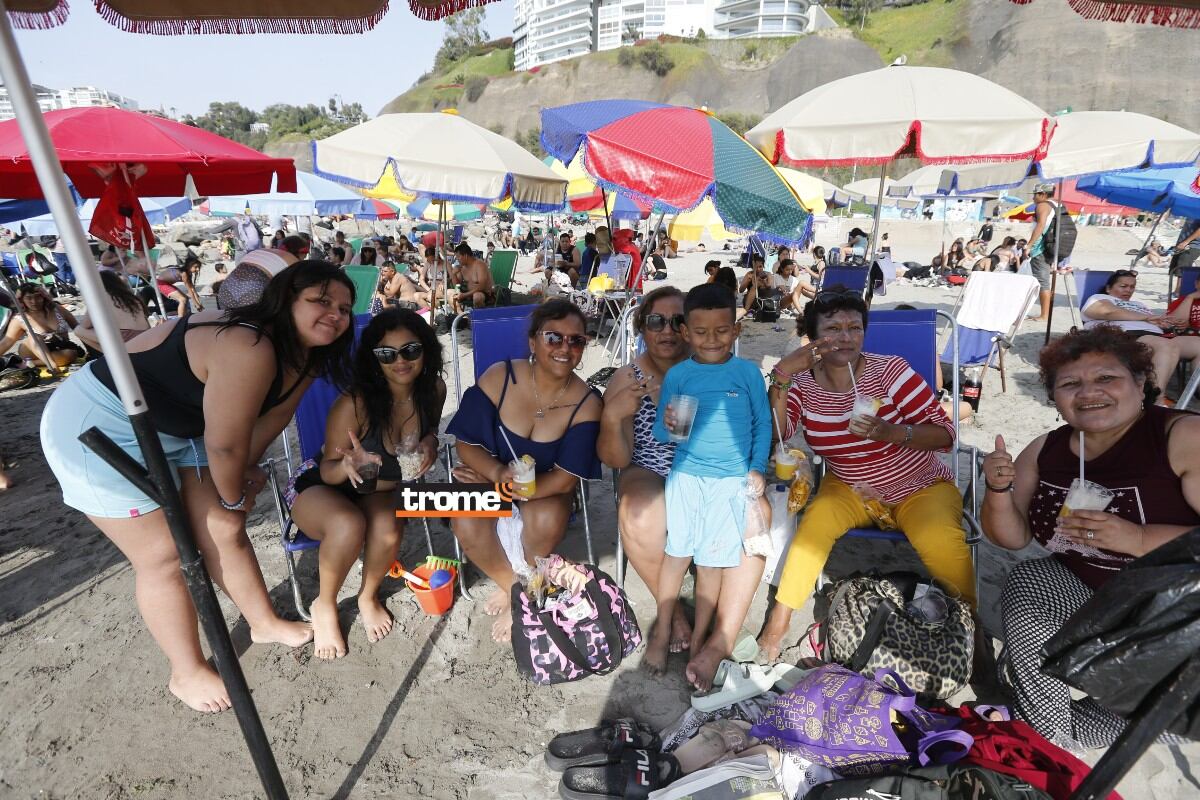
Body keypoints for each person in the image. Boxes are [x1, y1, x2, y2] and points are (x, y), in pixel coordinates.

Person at [40, 260, 356, 712]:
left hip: (182, 427)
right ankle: (184, 671)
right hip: (99, 424)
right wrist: (232, 491)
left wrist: (244, 475)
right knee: (164, 555)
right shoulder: (249, 343)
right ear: (284, 300)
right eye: (321, 300)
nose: (336, 314)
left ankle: (262, 622)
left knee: (225, 529)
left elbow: (273, 417)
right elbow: (225, 447)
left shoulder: (306, 353)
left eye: (345, 308)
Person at [980, 326, 1200, 748]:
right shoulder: (1047, 451)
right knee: (1029, 582)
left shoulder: (1181, 438)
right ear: (1054, 397)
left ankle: (1049, 730)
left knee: (1172, 713)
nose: (1088, 392)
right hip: (1094, 596)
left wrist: (1139, 538)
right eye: (1070, 384)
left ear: (1141, 383)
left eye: (1106, 378)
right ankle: (1051, 742)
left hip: (1178, 615)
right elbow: (1010, 537)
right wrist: (998, 489)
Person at [757, 288, 976, 661]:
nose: (845, 337)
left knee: (939, 540)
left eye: (854, 327)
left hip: (918, 484)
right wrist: (781, 375)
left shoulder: (889, 371)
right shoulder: (805, 384)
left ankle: (972, 632)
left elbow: (945, 433)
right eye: (833, 328)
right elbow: (775, 435)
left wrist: (892, 432)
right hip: (849, 485)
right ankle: (777, 623)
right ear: (813, 336)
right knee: (813, 529)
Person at [289, 309, 446, 659]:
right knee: (348, 524)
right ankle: (325, 604)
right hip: (324, 486)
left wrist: (431, 443)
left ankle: (367, 595)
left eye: (411, 350)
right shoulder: (354, 405)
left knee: (389, 529)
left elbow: (432, 428)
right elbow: (327, 470)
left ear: (426, 350)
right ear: (375, 360)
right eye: (387, 354)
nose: (400, 361)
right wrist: (347, 464)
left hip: (379, 487)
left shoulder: (433, 389)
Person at [446, 299, 602, 642]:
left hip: (547, 491)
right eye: (554, 338)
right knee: (461, 513)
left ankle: (530, 576)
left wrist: (507, 488)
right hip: (495, 478)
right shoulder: (500, 377)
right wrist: (495, 472)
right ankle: (515, 588)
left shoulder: (587, 402)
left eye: (576, 341)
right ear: (533, 341)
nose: (565, 348)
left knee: (545, 516)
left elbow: (564, 479)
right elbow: (466, 444)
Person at [650, 283, 771, 687]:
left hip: (730, 482)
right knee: (676, 553)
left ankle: (701, 638)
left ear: (735, 331)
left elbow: (761, 424)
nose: (711, 340)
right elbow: (663, 435)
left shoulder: (748, 373)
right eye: (701, 332)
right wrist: (668, 427)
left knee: (712, 563)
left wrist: (756, 468)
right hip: (686, 478)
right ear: (686, 332)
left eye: (721, 331)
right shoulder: (680, 376)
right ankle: (664, 629)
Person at [597, 287, 692, 656]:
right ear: (642, 327)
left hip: (703, 469)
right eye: (656, 321)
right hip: (649, 467)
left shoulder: (707, 369)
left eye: (678, 320)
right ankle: (673, 610)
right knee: (637, 512)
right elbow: (616, 460)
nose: (667, 330)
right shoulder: (627, 378)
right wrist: (613, 415)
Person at [1080, 270, 1200, 404]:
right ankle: (1156, 400)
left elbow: (1157, 322)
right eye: (1123, 286)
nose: (1128, 290)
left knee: (1197, 344)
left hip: (1157, 336)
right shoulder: (1098, 298)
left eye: (1132, 287)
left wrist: (1168, 323)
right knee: (1165, 346)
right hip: (1124, 336)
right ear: (1108, 288)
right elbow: (1107, 312)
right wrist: (1147, 318)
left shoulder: (1140, 305)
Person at [0, 283, 82, 368]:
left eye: (37, 297)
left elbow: (79, 329)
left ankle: (28, 364)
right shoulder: (20, 318)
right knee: (35, 337)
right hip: (30, 352)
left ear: (44, 297)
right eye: (28, 298)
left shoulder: (57, 309)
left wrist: (93, 352)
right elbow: (6, 342)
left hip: (58, 349)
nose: (34, 301)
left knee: (71, 354)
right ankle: (51, 364)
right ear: (22, 300)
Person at [73, 269, 150, 353]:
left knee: (78, 331)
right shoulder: (130, 296)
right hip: (145, 334)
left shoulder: (101, 298)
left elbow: (85, 325)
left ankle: (111, 355)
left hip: (127, 338)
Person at [217, 248, 299, 311]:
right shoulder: (293, 261)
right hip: (254, 293)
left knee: (233, 328)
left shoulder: (257, 251)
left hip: (226, 289)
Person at [1026, 183, 1060, 322]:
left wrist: (1029, 245)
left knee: (1042, 281)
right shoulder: (1057, 205)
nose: (1034, 198)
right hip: (1051, 248)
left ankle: (1044, 315)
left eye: (1035, 194)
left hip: (1040, 249)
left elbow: (1040, 226)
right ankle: (1045, 313)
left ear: (1043, 194)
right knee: (1044, 280)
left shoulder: (1043, 205)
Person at [452, 242, 495, 312]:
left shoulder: (480, 264)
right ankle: (461, 316)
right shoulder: (461, 267)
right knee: (449, 293)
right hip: (467, 294)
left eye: (458, 257)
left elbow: (482, 286)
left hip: (484, 294)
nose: (457, 259)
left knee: (477, 297)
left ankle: (479, 317)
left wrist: (464, 295)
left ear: (465, 255)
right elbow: (457, 286)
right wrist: (453, 274)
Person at [738, 253, 775, 318]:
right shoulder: (749, 274)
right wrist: (747, 281)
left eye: (760, 266)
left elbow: (771, 287)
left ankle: (746, 310)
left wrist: (764, 282)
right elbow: (741, 290)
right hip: (749, 302)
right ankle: (746, 310)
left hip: (764, 301)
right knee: (754, 287)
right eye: (755, 267)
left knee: (757, 285)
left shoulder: (768, 275)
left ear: (763, 266)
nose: (758, 269)